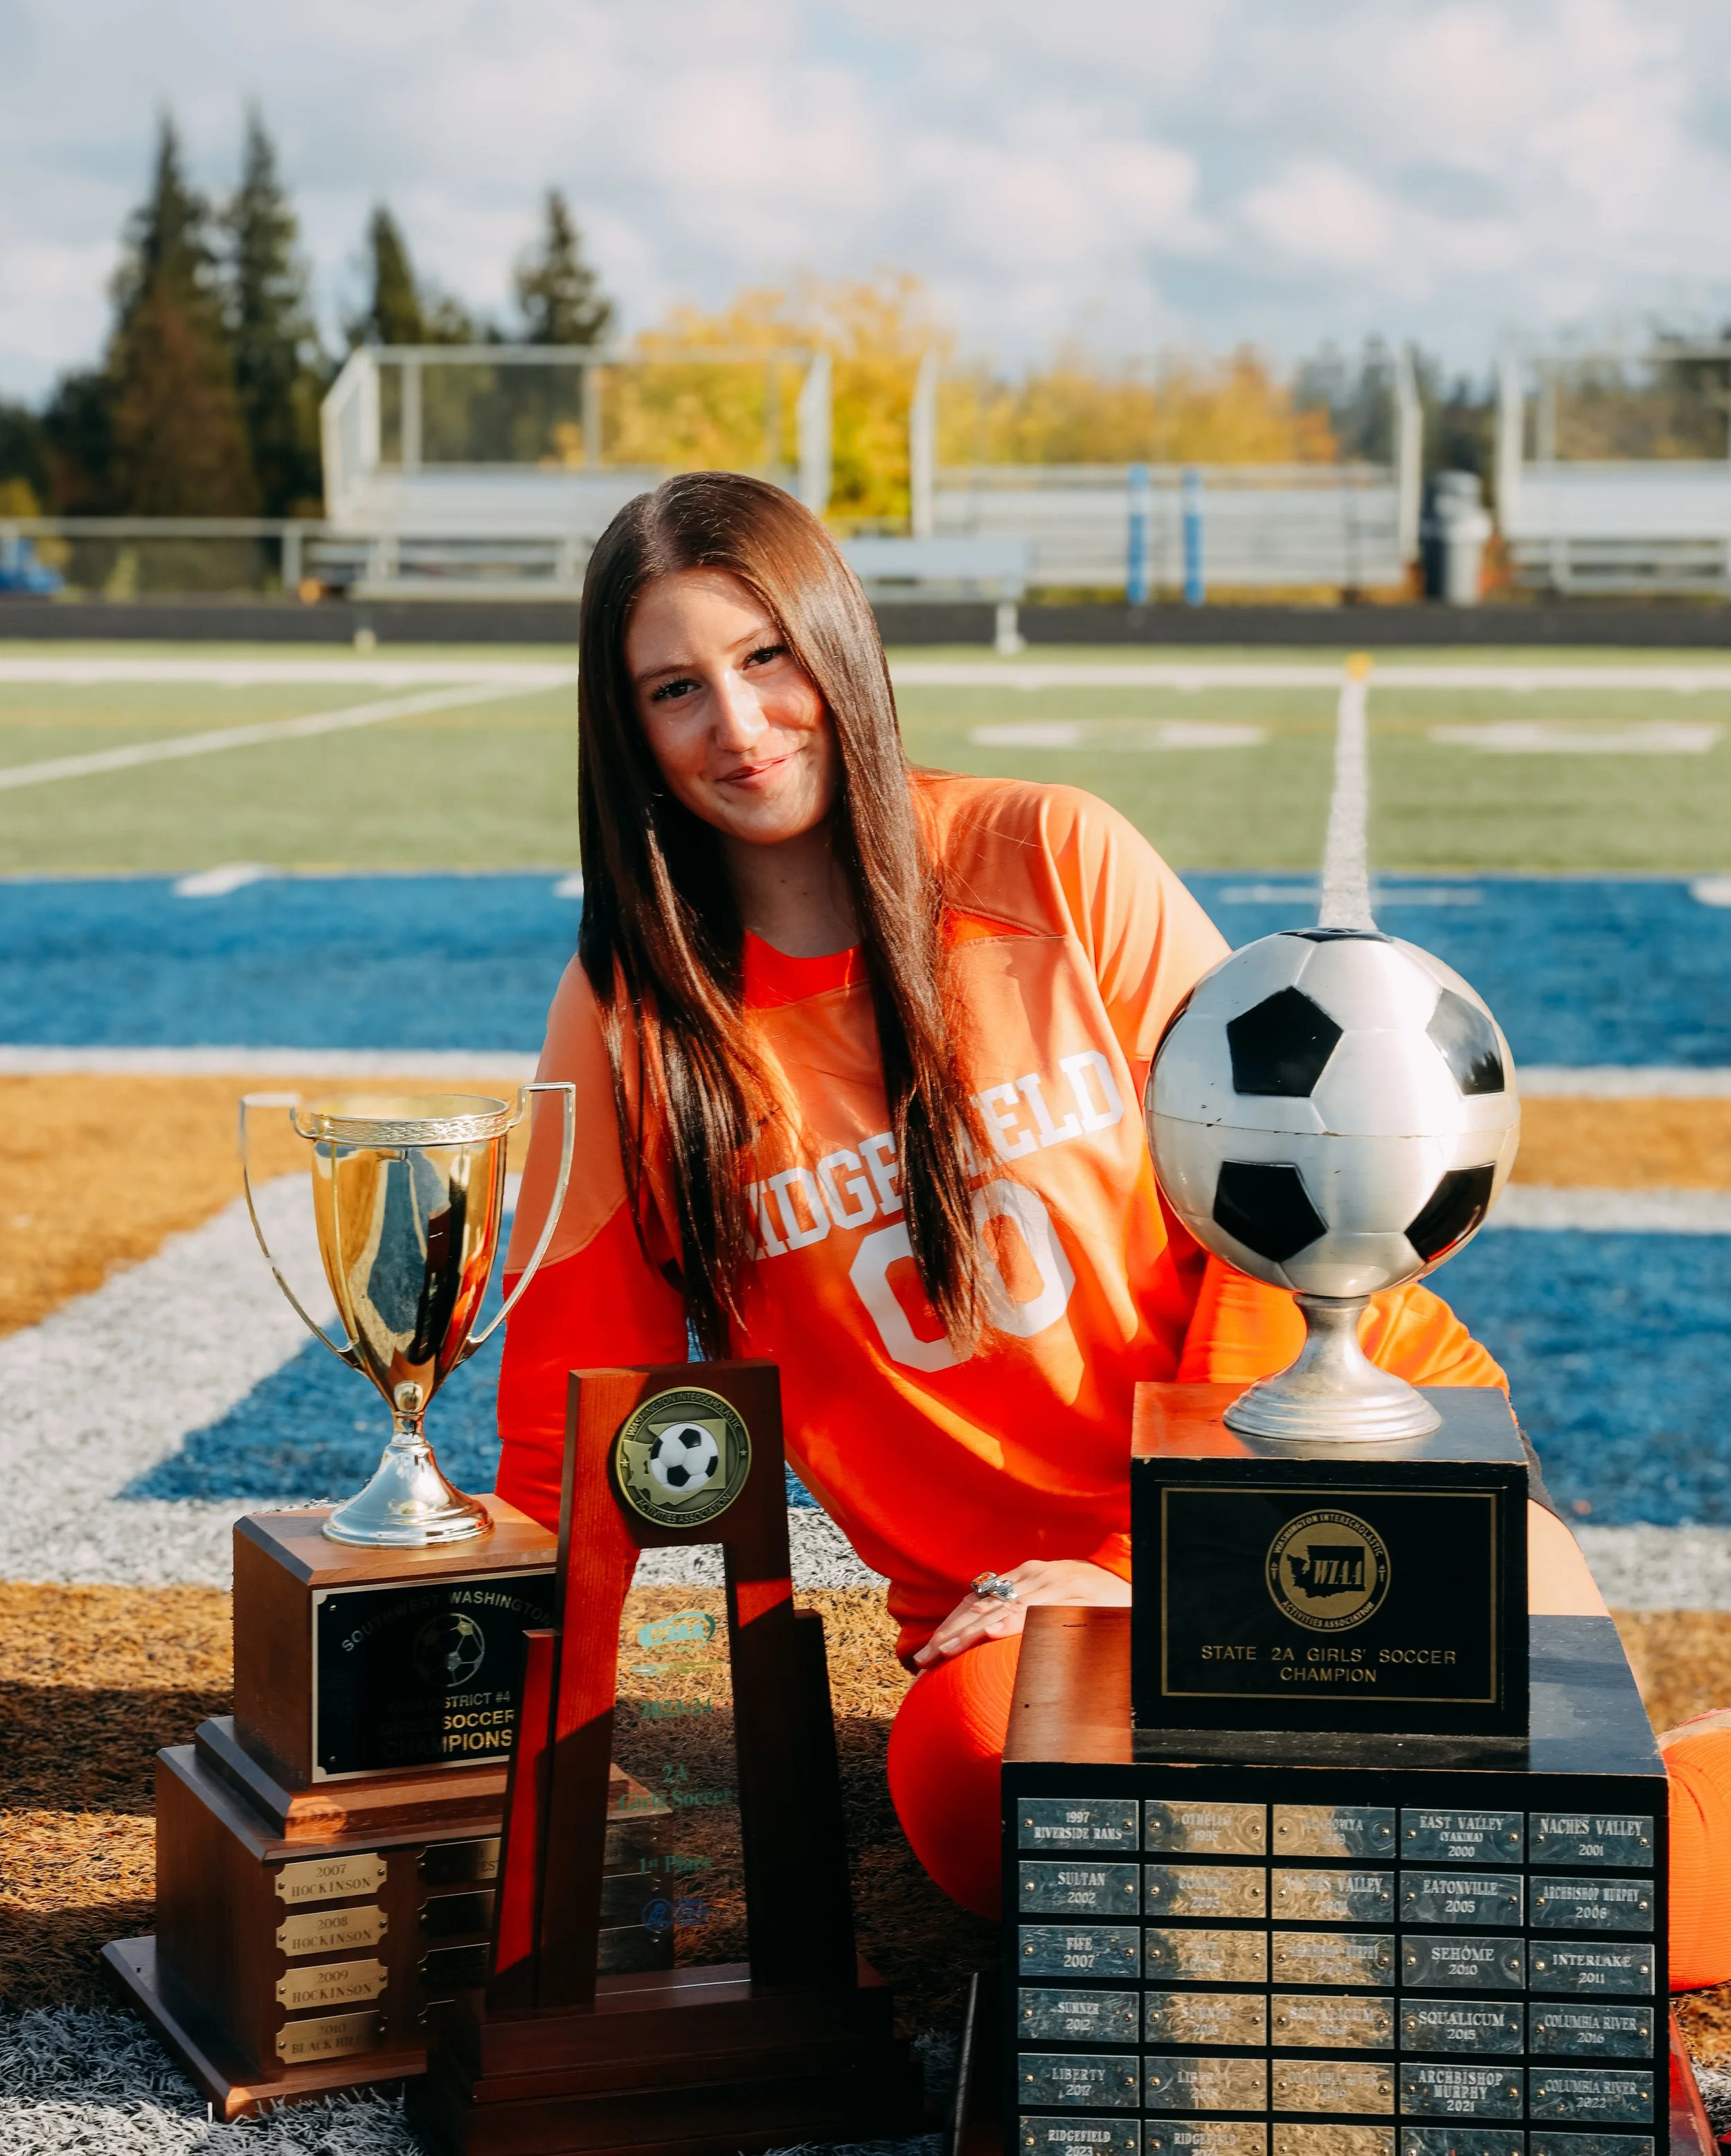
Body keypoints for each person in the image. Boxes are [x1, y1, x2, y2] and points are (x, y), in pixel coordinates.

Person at [496, 471, 1731, 1985]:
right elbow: (576, 1419)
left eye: (767, 659)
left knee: (1608, 1889)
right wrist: (513, 1760)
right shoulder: (632, 1020)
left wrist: (1168, 1563)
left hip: (1325, 1474)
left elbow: (1282, 1225)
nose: (738, 726)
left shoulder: (1052, 859)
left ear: (840, 646)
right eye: (674, 689)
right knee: (980, 1810)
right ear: (623, 728)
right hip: (1017, 1624)